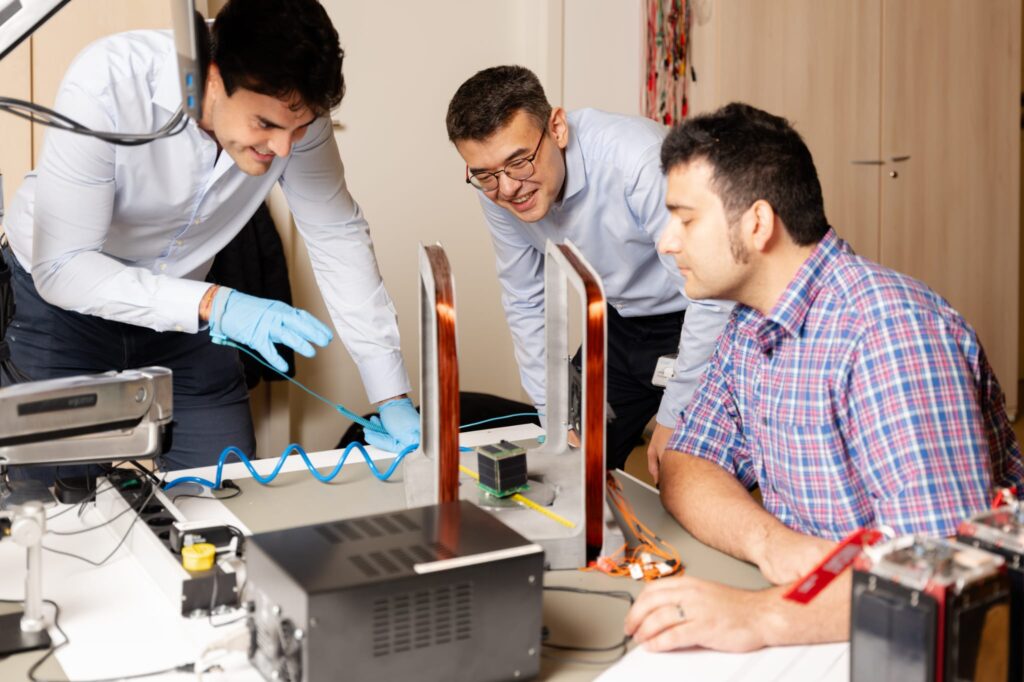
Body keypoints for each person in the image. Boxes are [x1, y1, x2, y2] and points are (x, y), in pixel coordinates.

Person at [623, 102, 1024, 651]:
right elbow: (687, 461)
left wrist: (758, 618)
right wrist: (772, 543)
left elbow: (943, 571)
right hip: (838, 612)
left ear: (758, 223)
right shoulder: (750, 321)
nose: (666, 242)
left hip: (948, 641)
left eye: (686, 219)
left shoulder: (890, 334)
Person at [0, 0, 419, 479]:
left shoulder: (295, 114)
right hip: (60, 310)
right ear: (213, 79)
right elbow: (65, 267)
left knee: (227, 486)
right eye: (266, 125)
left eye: (298, 129)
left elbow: (336, 234)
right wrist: (218, 305)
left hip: (185, 316)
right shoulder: (108, 82)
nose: (283, 148)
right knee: (53, 505)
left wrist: (391, 394)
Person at [445, 65, 732, 471]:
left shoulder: (638, 159)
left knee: (683, 470)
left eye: (520, 161)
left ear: (557, 128)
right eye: (486, 174)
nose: (508, 188)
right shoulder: (498, 186)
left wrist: (673, 415)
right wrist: (552, 410)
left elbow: (712, 295)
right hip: (620, 321)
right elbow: (525, 300)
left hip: (700, 314)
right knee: (571, 465)